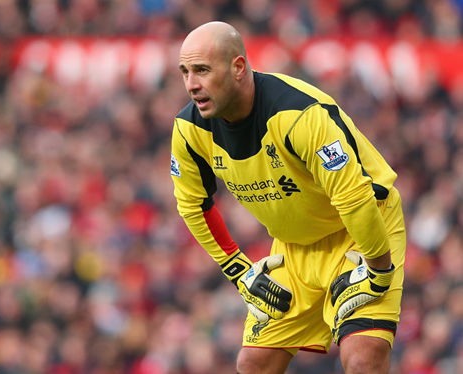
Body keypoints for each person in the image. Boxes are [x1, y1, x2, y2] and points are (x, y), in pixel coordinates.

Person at [170, 21, 406, 374]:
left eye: (202, 70)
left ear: (238, 68)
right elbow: (193, 205)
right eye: (185, 72)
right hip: (294, 247)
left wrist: (378, 269)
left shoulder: (299, 114)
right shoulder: (189, 130)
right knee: (254, 364)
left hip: (361, 232)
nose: (191, 85)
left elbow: (354, 196)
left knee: (362, 358)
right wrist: (238, 270)